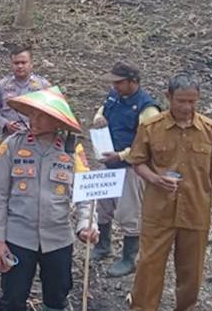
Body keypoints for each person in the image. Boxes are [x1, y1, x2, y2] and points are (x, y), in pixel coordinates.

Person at [0, 87, 98, 311]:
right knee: (12, 299)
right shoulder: (12, 146)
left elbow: (87, 194)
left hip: (58, 239)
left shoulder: (72, 148)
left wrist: (87, 225)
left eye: (41, 115)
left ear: (56, 121)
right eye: (32, 114)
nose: (33, 119)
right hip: (18, 238)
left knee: (57, 298)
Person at [128, 74, 212, 311]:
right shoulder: (151, 128)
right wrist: (156, 179)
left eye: (192, 102)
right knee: (149, 267)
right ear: (168, 97)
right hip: (158, 212)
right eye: (181, 101)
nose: (187, 108)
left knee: (191, 271)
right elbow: (138, 162)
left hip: (196, 212)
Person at [90, 61, 160, 277]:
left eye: (119, 83)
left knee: (129, 211)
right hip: (109, 161)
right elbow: (101, 111)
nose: (114, 86)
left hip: (131, 167)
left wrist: (121, 155)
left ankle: (129, 257)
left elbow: (148, 144)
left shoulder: (147, 108)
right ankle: (103, 245)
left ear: (134, 82)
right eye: (113, 83)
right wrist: (99, 118)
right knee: (103, 204)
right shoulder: (113, 97)